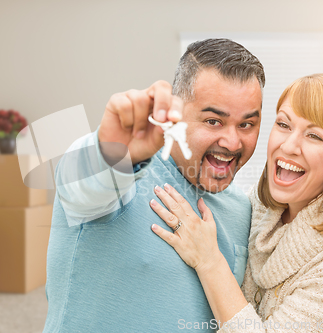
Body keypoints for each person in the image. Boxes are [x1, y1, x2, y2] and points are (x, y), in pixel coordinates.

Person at [43, 39, 265, 332]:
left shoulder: (242, 209)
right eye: (213, 121)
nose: (233, 142)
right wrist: (109, 151)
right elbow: (79, 185)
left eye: (246, 125)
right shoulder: (123, 175)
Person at [150, 73, 323, 332]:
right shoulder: (261, 205)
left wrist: (209, 262)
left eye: (314, 136)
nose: (288, 146)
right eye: (284, 125)